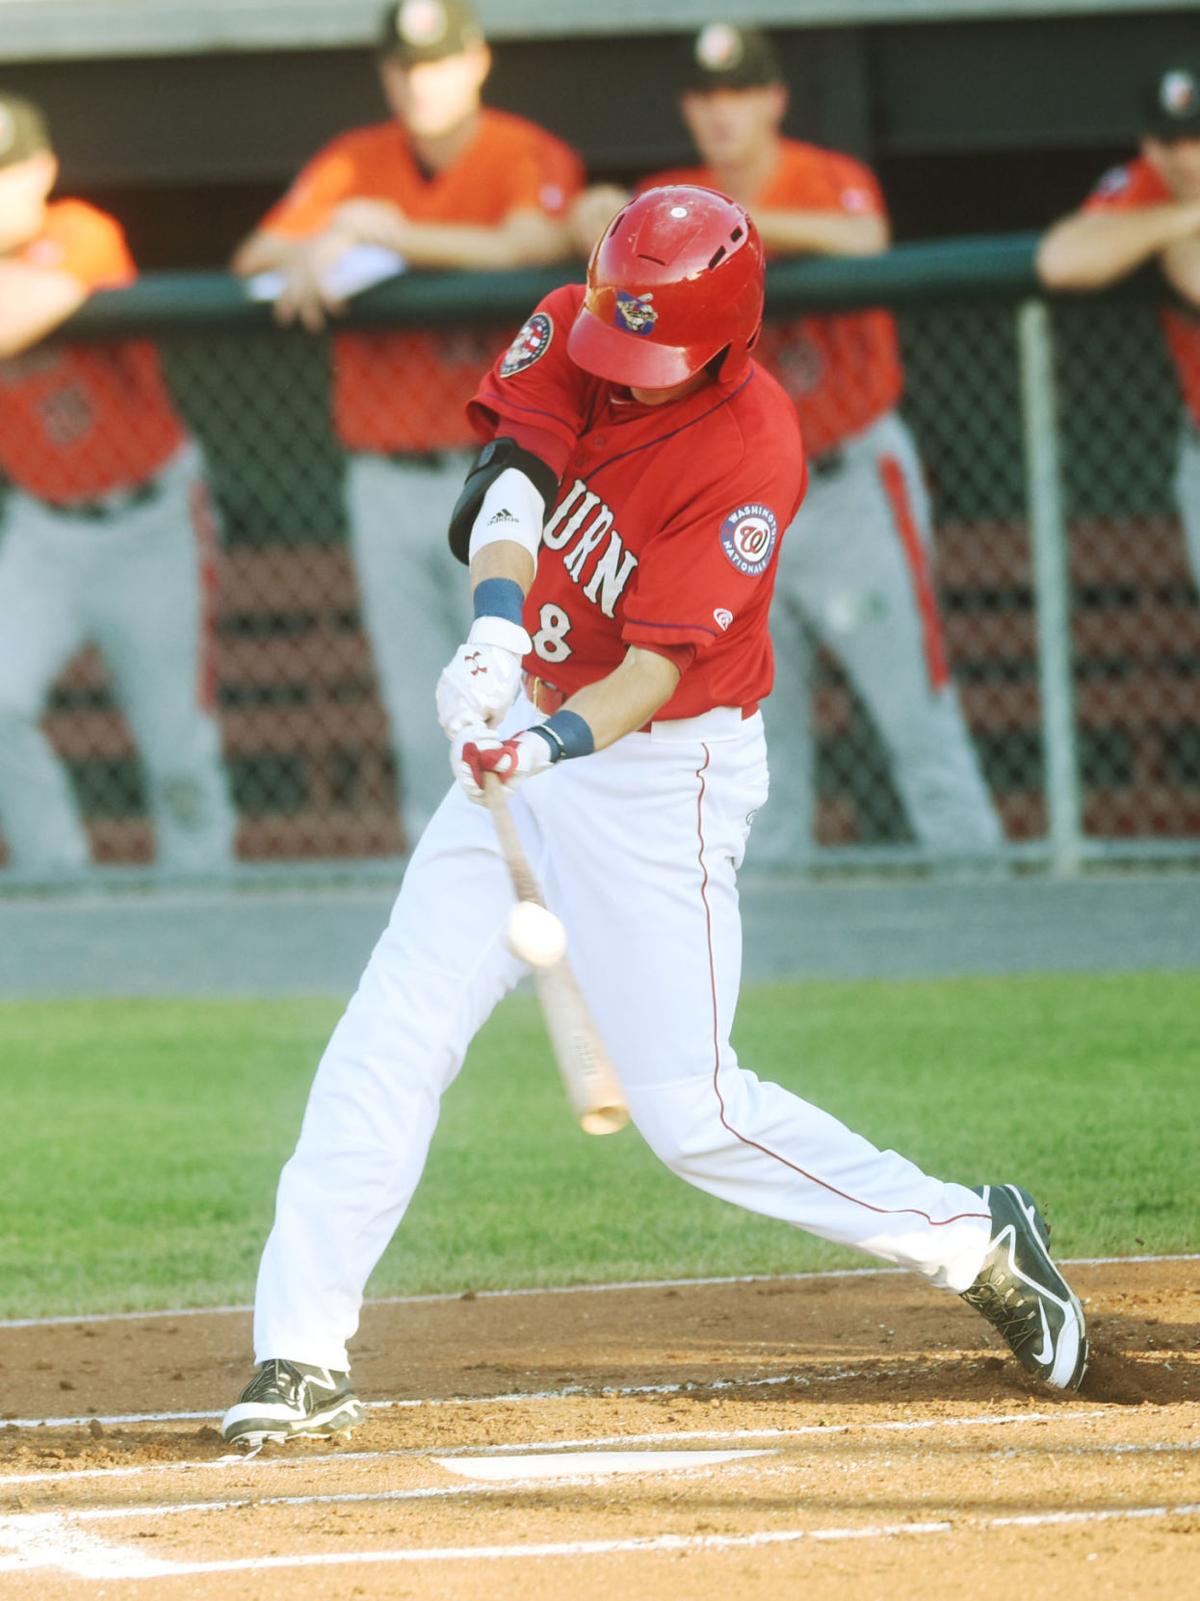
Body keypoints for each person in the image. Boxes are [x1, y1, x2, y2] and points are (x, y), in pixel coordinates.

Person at [221, 185, 1086, 1448]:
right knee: (388, 1035)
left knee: (695, 1114)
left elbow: (649, 676)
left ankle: (973, 1236)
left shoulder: (752, 449)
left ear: (726, 338)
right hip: (535, 721)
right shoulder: (578, 325)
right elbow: (513, 485)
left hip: (659, 774)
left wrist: (542, 740)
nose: (620, 375)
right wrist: (494, 638)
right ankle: (301, 1350)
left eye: (649, 354)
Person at [572, 25, 1003, 867]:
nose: (721, 110)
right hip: (728, 504)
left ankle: (981, 885)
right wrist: (597, 215)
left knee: (916, 713)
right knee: (755, 742)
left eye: (739, 90)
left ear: (774, 98)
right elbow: (598, 250)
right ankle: (771, 931)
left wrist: (721, 236)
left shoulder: (829, 181)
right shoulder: (668, 199)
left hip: (848, 489)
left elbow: (864, 239)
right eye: (705, 94)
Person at [231, 0, 582, 850]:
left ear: (477, 61)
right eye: (406, 66)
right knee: (420, 700)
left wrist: (393, 235)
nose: (421, 82)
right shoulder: (355, 163)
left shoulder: (522, 150)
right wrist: (337, 233)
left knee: (531, 683)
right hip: (386, 474)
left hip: (503, 474)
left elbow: (531, 242)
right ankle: (450, 872)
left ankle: (552, 865)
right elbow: (255, 258)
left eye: (438, 62)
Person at [0, 92, 235, 877]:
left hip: (150, 524)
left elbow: (14, 313)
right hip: (43, 531)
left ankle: (203, 903)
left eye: (7, 171)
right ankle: (59, 882)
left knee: (176, 750)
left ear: (42, 171)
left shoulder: (82, 231)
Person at [1038, 63, 1200, 595]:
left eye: (1198, 139)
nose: (1186, 157)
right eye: (1170, 141)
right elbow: (1062, 259)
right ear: (1148, 146)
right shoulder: (1152, 187)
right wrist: (1183, 220)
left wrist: (1171, 240)